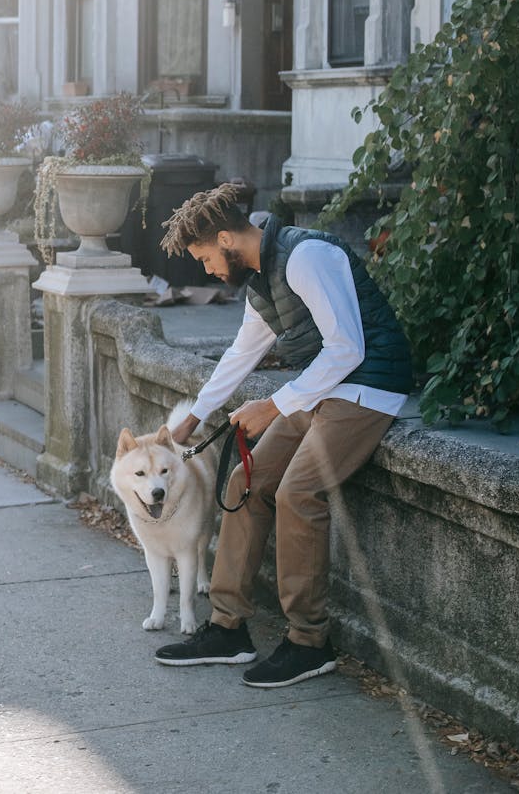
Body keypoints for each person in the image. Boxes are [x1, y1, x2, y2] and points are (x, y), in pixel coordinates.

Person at [154, 183, 412, 688]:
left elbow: (347, 348)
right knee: (242, 485)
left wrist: (274, 405)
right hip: (319, 389)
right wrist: (195, 418)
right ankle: (227, 629)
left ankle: (309, 642)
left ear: (226, 238)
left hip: (367, 386)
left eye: (206, 258)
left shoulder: (306, 256)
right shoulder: (260, 277)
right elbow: (241, 353)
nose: (207, 270)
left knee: (297, 493)